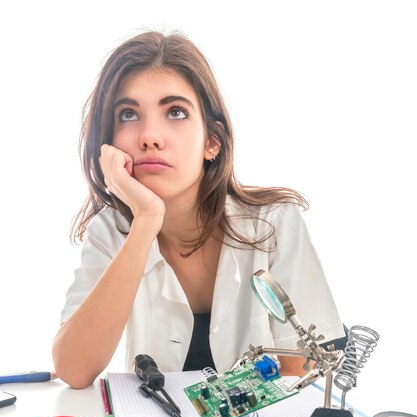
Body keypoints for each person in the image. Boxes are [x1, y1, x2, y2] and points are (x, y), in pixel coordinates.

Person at [53, 31, 344, 389]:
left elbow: (313, 362)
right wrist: (145, 222)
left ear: (212, 142)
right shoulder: (111, 231)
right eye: (128, 114)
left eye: (175, 112)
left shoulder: (275, 222)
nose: (149, 136)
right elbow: (74, 369)